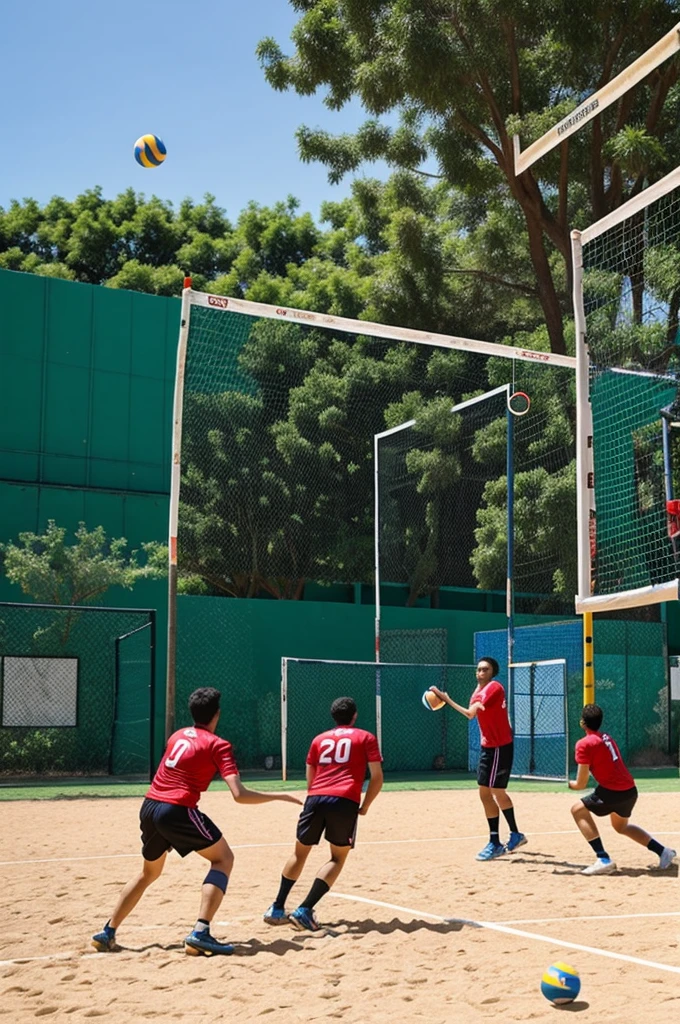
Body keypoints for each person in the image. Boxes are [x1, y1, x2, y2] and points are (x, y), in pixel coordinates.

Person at [91, 687, 302, 956]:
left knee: (149, 873)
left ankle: (107, 931)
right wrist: (280, 796)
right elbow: (240, 795)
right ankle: (201, 932)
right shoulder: (218, 744)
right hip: (176, 809)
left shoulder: (177, 735)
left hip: (150, 806)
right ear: (217, 714)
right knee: (223, 859)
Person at [263, 696, 383, 932]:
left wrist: (313, 796)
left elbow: (311, 771)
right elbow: (377, 777)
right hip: (345, 799)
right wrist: (365, 805)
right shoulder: (365, 737)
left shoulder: (319, 739)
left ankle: (277, 907)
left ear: (333, 716)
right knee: (337, 857)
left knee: (299, 854)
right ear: (354, 715)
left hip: (315, 797)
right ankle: (305, 909)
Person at [429, 656, 526, 861]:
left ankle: (498, 841)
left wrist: (446, 699)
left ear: (493, 672)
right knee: (485, 793)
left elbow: (470, 714)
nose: (480, 672)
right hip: (488, 746)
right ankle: (507, 837)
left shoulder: (494, 687)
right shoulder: (477, 691)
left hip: (500, 746)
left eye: (485, 669)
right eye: (479, 669)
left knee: (496, 791)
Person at [568, 703, 676, 876]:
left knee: (577, 810)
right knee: (621, 827)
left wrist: (568, 783)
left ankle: (603, 858)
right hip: (630, 791)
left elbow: (580, 784)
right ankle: (664, 852)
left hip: (613, 791)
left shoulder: (584, 744)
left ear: (582, 723)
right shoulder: (606, 737)